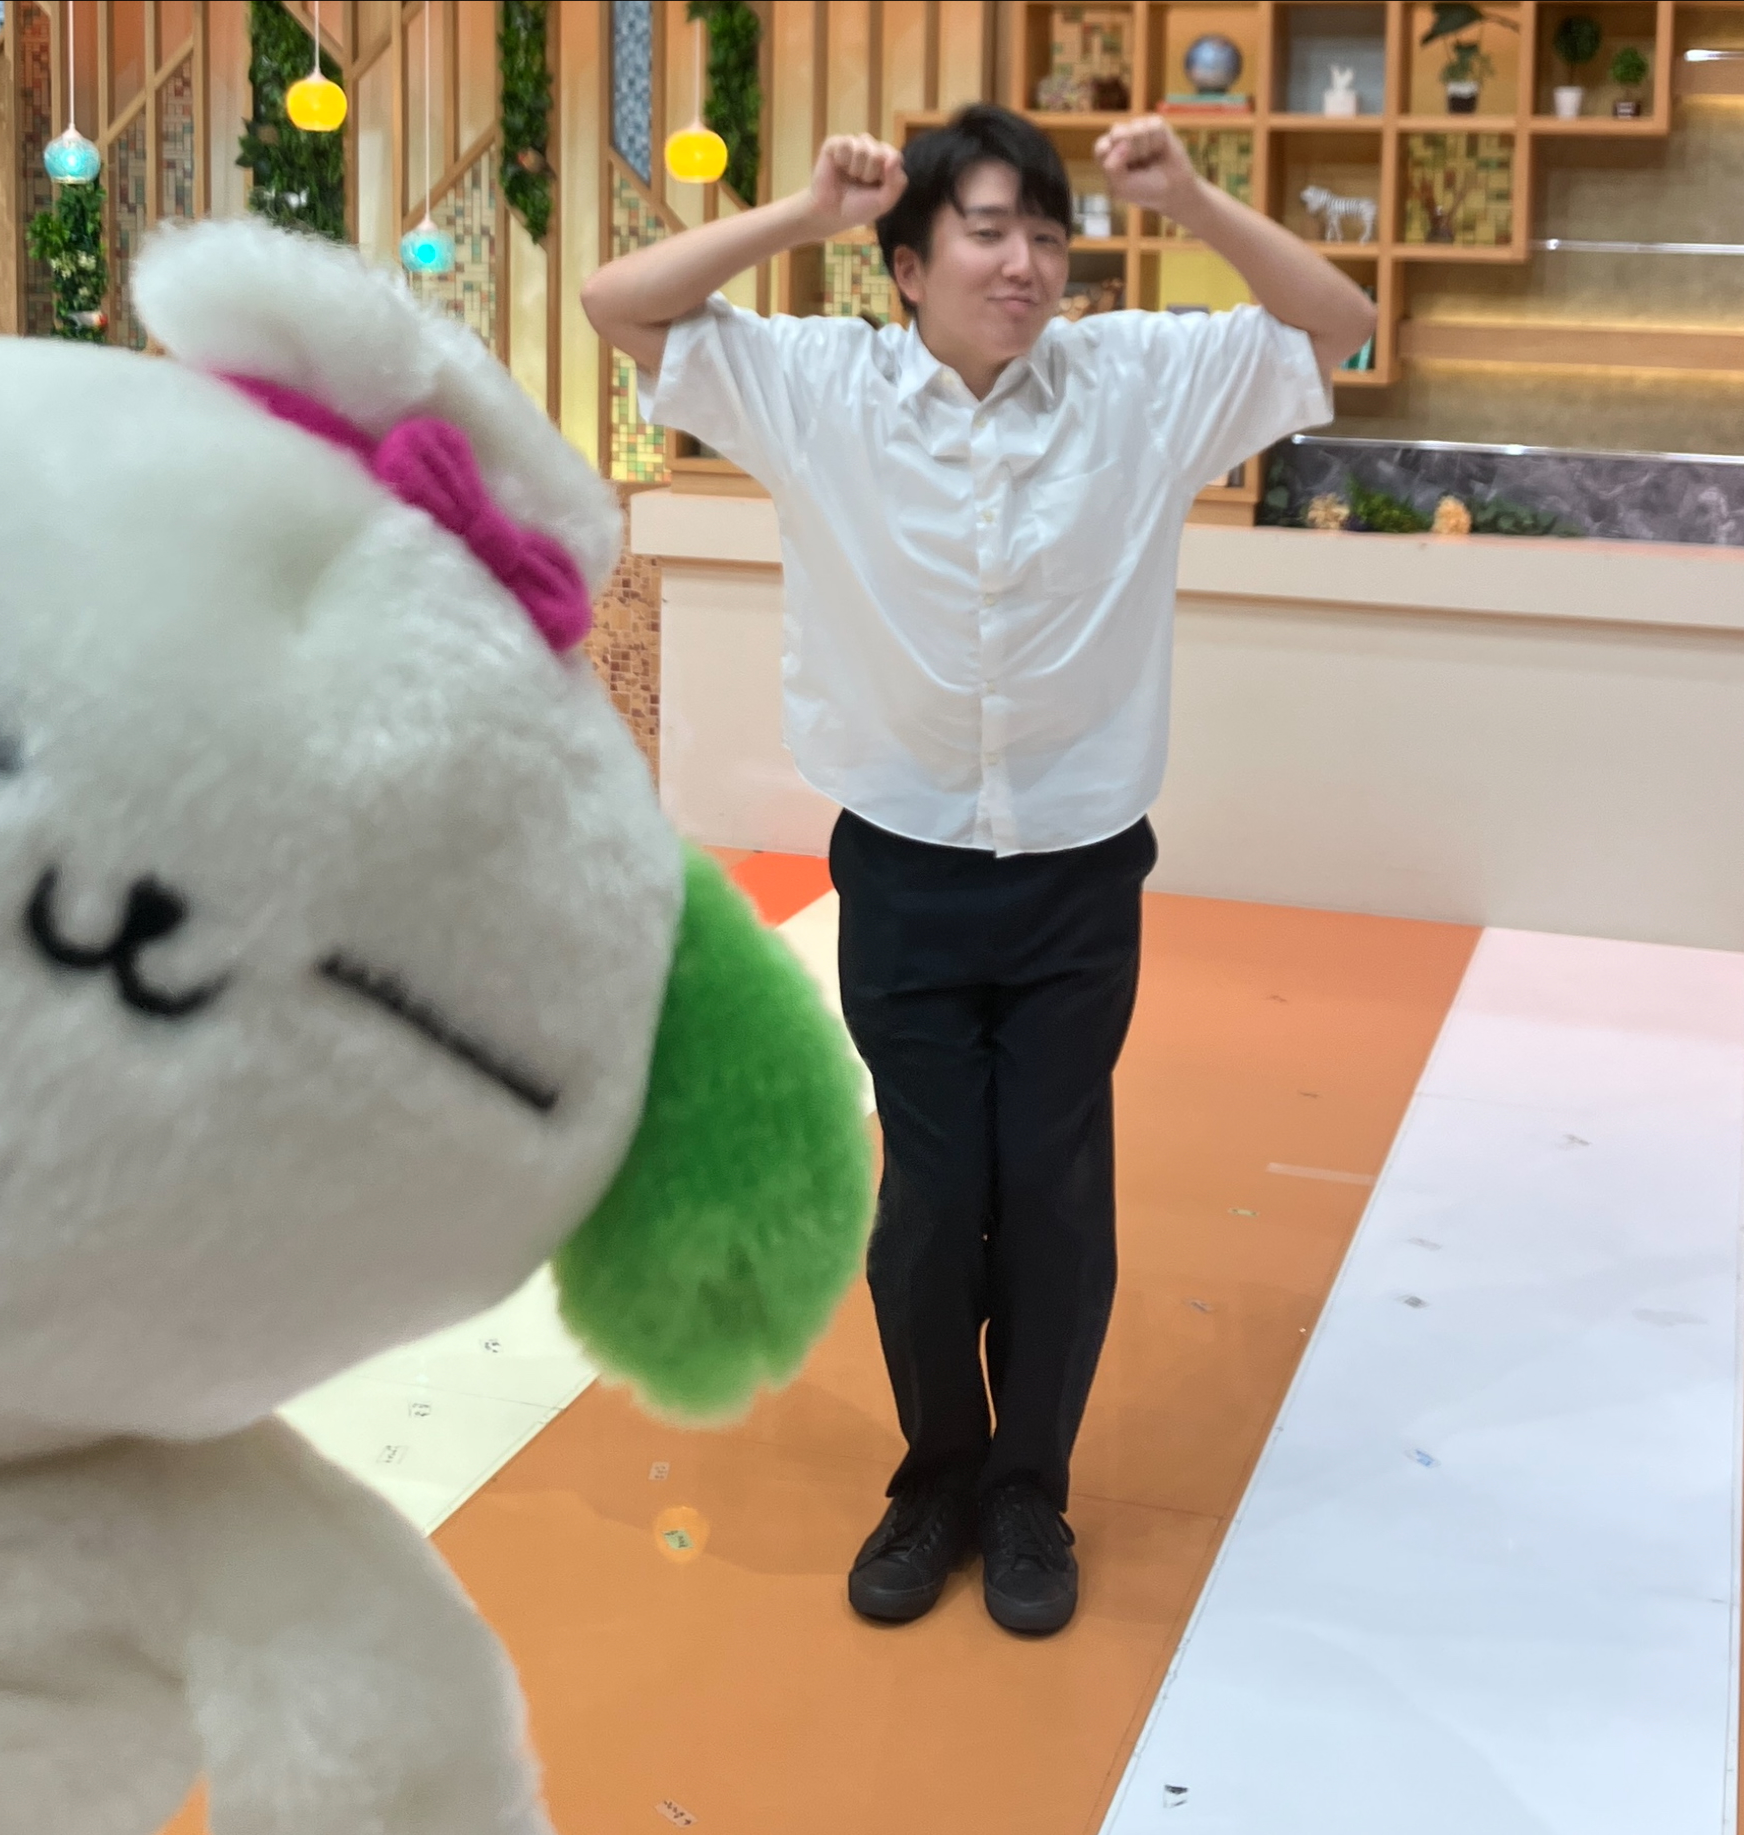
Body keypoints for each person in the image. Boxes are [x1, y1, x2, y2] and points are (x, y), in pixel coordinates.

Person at [581, 104, 1374, 1637]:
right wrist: (796, 214)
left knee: (1055, 1189)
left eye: (1047, 235)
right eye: (987, 231)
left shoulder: (1137, 381)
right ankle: (936, 1475)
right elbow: (621, 303)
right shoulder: (821, 387)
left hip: (1078, 870)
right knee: (934, 1198)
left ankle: (1029, 1493)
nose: (1024, 264)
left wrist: (1192, 199)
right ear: (906, 266)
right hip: (904, 864)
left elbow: (1333, 325)